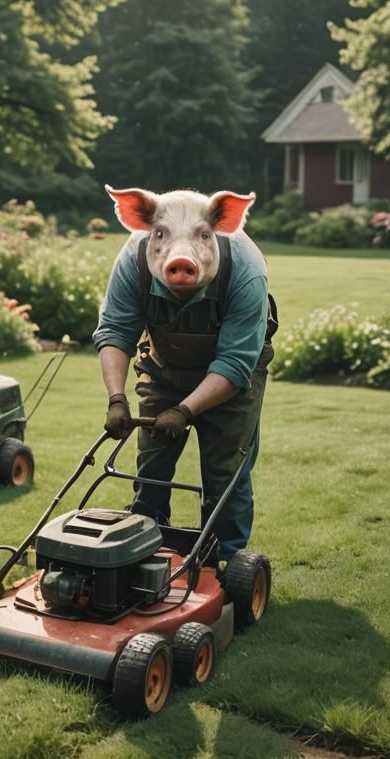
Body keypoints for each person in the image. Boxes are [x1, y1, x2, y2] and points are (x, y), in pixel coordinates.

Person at [92, 187, 277, 567]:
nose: (181, 255)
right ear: (140, 222)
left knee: (225, 471)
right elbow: (115, 331)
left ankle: (227, 567)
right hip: (164, 369)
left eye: (201, 236)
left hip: (231, 384)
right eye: (161, 234)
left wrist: (185, 410)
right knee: (153, 464)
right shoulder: (134, 259)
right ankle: (143, 549)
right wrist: (116, 398)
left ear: (223, 222)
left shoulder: (245, 269)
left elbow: (236, 363)